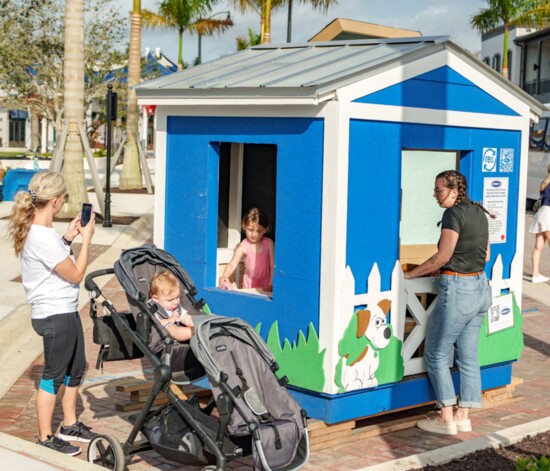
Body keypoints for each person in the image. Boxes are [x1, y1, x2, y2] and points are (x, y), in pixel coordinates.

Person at [8, 171, 97, 456]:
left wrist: (68, 238)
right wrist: (87, 239)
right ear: (57, 201)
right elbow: (75, 274)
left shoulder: (45, 234)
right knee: (53, 376)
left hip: (65, 310)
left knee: (77, 366)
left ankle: (69, 424)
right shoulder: (41, 237)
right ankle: (46, 437)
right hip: (54, 314)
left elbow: (54, 262)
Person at [404, 170, 493, 436]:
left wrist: (411, 273)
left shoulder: (452, 214)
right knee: (468, 355)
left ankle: (445, 418)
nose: (435, 195)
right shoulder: (479, 211)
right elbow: (486, 254)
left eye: (439, 190)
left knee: (436, 353)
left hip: (459, 288)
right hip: (480, 287)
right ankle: (463, 415)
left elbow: (443, 256)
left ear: (454, 192)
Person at [219, 208, 274, 292]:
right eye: (251, 230)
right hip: (248, 285)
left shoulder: (269, 243)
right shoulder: (243, 245)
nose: (254, 234)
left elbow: (273, 265)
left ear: (265, 229)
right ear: (244, 226)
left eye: (259, 231)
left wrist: (271, 283)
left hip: (266, 285)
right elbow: (233, 263)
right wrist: (224, 276)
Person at [148, 270, 194, 342]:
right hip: (164, 332)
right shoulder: (154, 308)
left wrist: (193, 322)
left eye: (177, 297)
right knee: (173, 329)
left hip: (175, 328)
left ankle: (200, 325)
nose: (176, 302)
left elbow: (185, 318)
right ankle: (194, 332)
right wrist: (169, 320)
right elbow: (156, 323)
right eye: (170, 300)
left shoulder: (174, 307)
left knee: (188, 318)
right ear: (156, 299)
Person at [529, 164, 550, 283]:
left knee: (538, 246)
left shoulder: (544, 182)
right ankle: (536, 274)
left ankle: (535, 274)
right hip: (548, 214)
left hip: (542, 213)